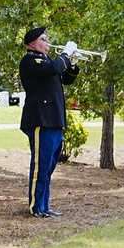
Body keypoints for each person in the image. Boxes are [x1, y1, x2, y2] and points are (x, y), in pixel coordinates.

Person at [19, 26, 81, 219]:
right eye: (43, 39)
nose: (47, 42)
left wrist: (71, 64)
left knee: (49, 166)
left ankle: (44, 206)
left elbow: (65, 79)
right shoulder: (30, 61)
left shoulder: (47, 62)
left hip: (54, 119)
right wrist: (65, 54)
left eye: (47, 39)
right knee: (40, 166)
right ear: (32, 43)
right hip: (40, 120)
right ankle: (36, 207)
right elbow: (54, 68)